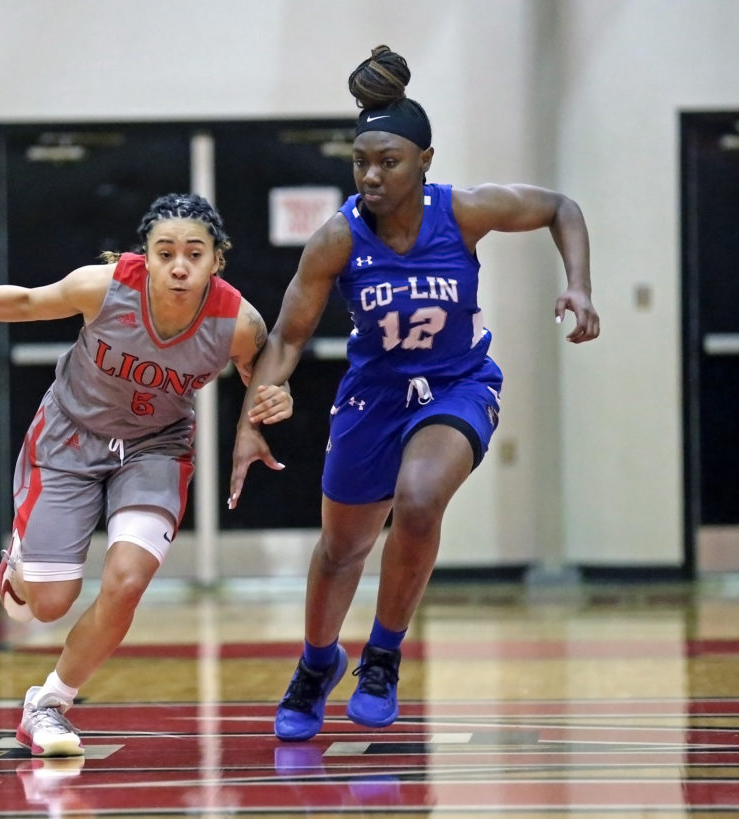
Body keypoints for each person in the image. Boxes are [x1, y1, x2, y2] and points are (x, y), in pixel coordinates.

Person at [229, 45, 600, 742]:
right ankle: (316, 664)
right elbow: (287, 336)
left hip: (458, 384)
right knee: (342, 547)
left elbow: (560, 207)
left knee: (421, 500)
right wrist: (253, 415)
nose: (371, 174)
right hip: (374, 393)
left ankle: (383, 655)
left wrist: (577, 283)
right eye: (360, 161)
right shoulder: (338, 238)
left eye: (388, 161)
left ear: (424, 161)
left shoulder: (461, 211)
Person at [0, 193, 292, 756]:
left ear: (216, 261)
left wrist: (269, 403)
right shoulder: (104, 287)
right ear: (145, 257)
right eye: (166, 252)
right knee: (49, 604)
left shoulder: (236, 322)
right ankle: (20, 564)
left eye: (195, 254)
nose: (180, 266)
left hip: (157, 448)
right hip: (68, 440)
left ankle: (49, 705)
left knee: (126, 582)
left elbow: (266, 362)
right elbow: (28, 302)